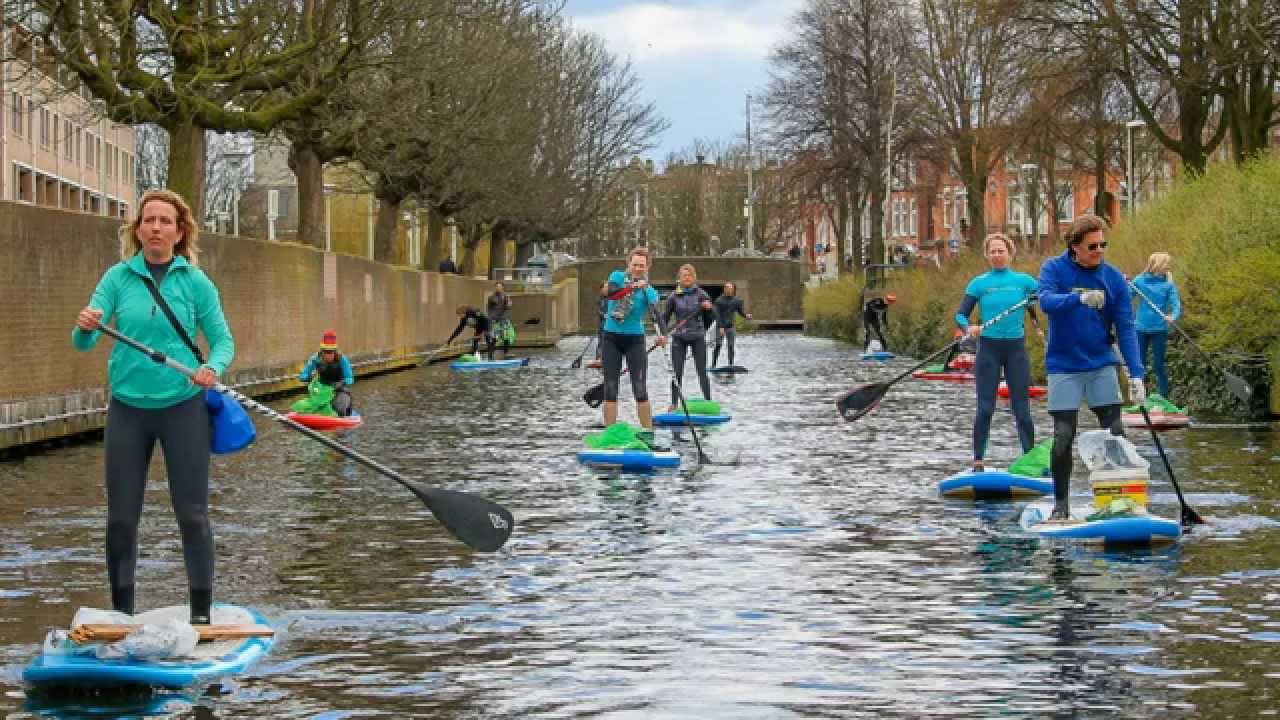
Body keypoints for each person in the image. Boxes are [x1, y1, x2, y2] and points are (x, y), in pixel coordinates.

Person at [72, 189, 235, 625]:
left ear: (180, 232)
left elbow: (222, 341)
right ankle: (121, 614)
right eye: (150, 221)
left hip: (183, 407)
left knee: (192, 515)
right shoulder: (118, 278)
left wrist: (212, 368)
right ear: (138, 229)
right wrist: (87, 324)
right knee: (122, 519)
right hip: (128, 410)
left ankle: (201, 615)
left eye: (166, 221)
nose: (157, 228)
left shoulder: (195, 282)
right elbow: (83, 340)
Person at [1039, 215, 1145, 521]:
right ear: (1075, 248)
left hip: (1100, 363)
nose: (1099, 250)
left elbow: (1125, 328)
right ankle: (1061, 506)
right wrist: (1079, 298)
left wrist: (1136, 374)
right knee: (1063, 435)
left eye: (1103, 244)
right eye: (1092, 246)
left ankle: (1120, 503)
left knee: (1115, 433)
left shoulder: (1113, 279)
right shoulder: (1054, 269)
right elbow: (1045, 301)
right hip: (1064, 365)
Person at [954, 233, 1040, 472]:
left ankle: (1030, 459)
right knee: (985, 408)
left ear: (1010, 253)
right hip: (988, 350)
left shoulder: (1024, 282)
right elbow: (960, 314)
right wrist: (967, 328)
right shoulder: (979, 283)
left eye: (1001, 250)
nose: (997, 255)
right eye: (992, 251)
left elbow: (1046, 296)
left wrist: (1041, 297)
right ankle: (978, 461)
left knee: (1022, 410)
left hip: (1016, 350)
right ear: (987, 255)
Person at [601, 246, 666, 428]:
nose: (638, 268)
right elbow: (612, 293)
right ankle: (610, 433)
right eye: (635, 264)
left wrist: (663, 335)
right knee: (611, 388)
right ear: (629, 264)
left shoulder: (649, 291)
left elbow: (657, 315)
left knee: (640, 388)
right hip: (611, 338)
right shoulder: (617, 277)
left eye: (642, 266)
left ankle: (647, 432)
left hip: (634, 341)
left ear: (647, 268)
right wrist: (631, 287)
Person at [662, 264, 716, 408]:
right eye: (684, 275)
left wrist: (709, 309)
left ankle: (708, 402)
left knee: (702, 372)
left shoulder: (702, 294)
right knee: (676, 373)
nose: (687, 278)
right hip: (679, 337)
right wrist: (662, 334)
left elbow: (712, 317)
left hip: (698, 336)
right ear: (679, 278)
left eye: (689, 275)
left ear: (694, 277)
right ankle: (674, 403)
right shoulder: (673, 296)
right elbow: (665, 318)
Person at [1131, 252, 1182, 399]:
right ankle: (1141, 398)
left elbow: (1176, 304)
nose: (1168, 266)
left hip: (1160, 329)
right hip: (1140, 328)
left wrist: (1173, 316)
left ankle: (1164, 398)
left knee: (1159, 365)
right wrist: (1123, 284)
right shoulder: (1139, 281)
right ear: (1157, 265)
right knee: (1140, 364)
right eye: (1166, 263)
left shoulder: (1168, 284)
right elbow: (1126, 296)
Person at [297, 330, 355, 416]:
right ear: (322, 351)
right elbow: (303, 375)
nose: (328, 355)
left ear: (335, 351)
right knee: (304, 406)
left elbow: (350, 378)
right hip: (322, 391)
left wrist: (341, 383)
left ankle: (343, 411)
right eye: (326, 351)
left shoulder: (342, 359)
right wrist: (307, 377)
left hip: (339, 390)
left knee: (339, 409)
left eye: (331, 352)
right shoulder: (315, 358)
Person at [712, 281, 751, 367]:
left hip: (731, 327)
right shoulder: (718, 301)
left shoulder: (736, 301)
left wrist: (746, 316)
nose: (730, 291)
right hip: (720, 326)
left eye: (731, 289)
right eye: (728, 289)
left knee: (731, 346)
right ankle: (713, 365)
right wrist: (721, 327)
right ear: (725, 289)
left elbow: (740, 312)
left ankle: (731, 364)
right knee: (718, 345)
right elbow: (717, 315)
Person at [486, 281, 514, 359]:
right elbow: (489, 310)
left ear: (502, 287)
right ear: (495, 287)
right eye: (497, 286)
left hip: (504, 320)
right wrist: (491, 319)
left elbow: (508, 307)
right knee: (494, 338)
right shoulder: (491, 298)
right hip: (495, 320)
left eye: (499, 286)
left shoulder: (506, 297)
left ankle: (506, 354)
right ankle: (490, 356)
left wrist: (508, 303)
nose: (498, 288)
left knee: (506, 337)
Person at [588, 281, 609, 369]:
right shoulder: (599, 299)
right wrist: (604, 315)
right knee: (601, 343)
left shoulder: (612, 298)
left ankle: (609, 358)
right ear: (601, 289)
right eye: (605, 287)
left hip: (611, 325)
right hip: (602, 324)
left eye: (608, 287)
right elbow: (598, 311)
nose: (607, 289)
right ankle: (599, 359)